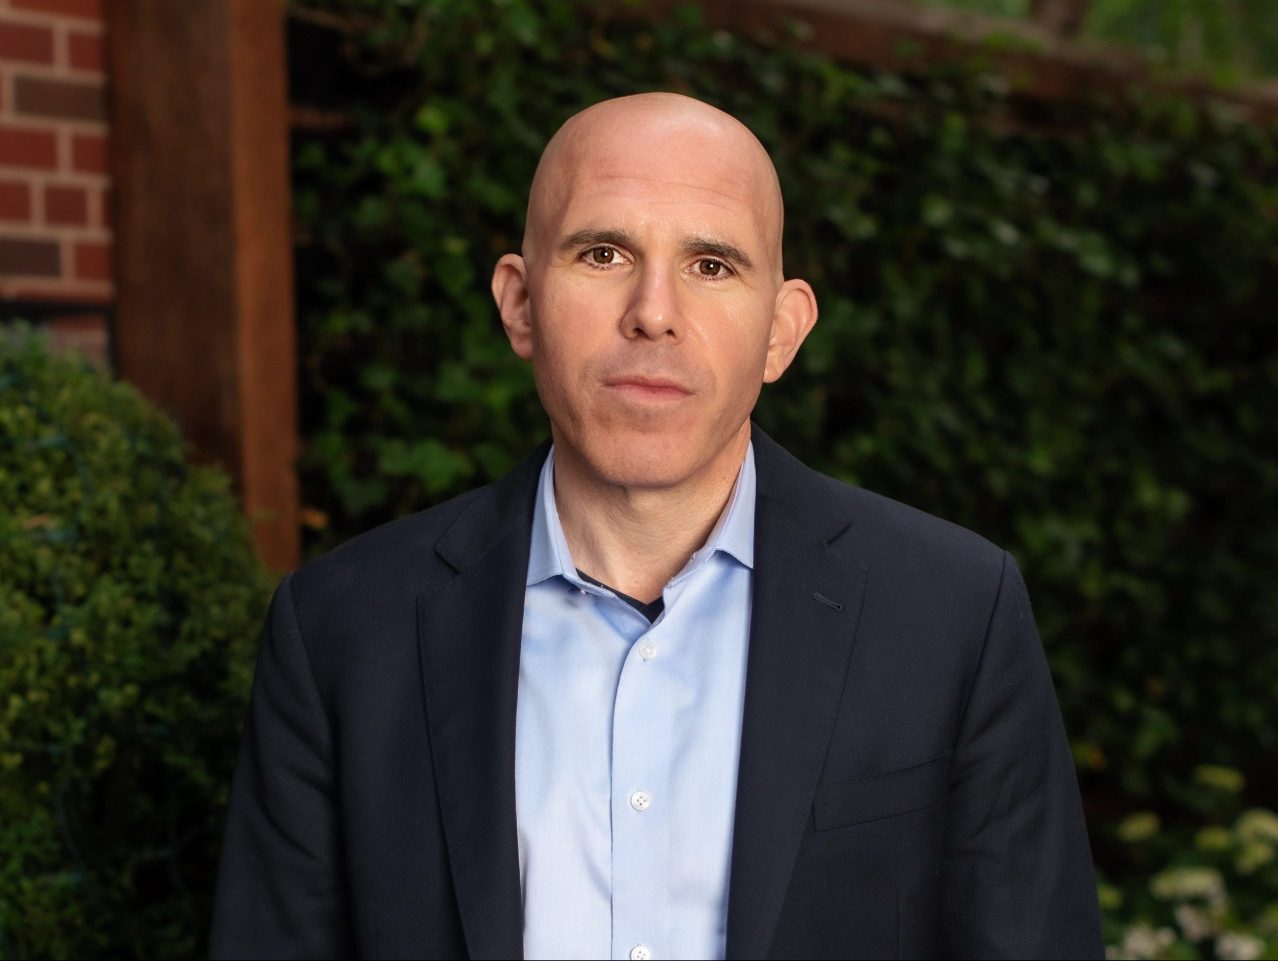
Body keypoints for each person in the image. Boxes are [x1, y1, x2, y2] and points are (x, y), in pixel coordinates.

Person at [210, 92, 1103, 960]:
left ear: (781, 332)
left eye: (711, 265)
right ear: (520, 304)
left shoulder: (952, 616)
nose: (654, 311)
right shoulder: (341, 632)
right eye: (602, 253)